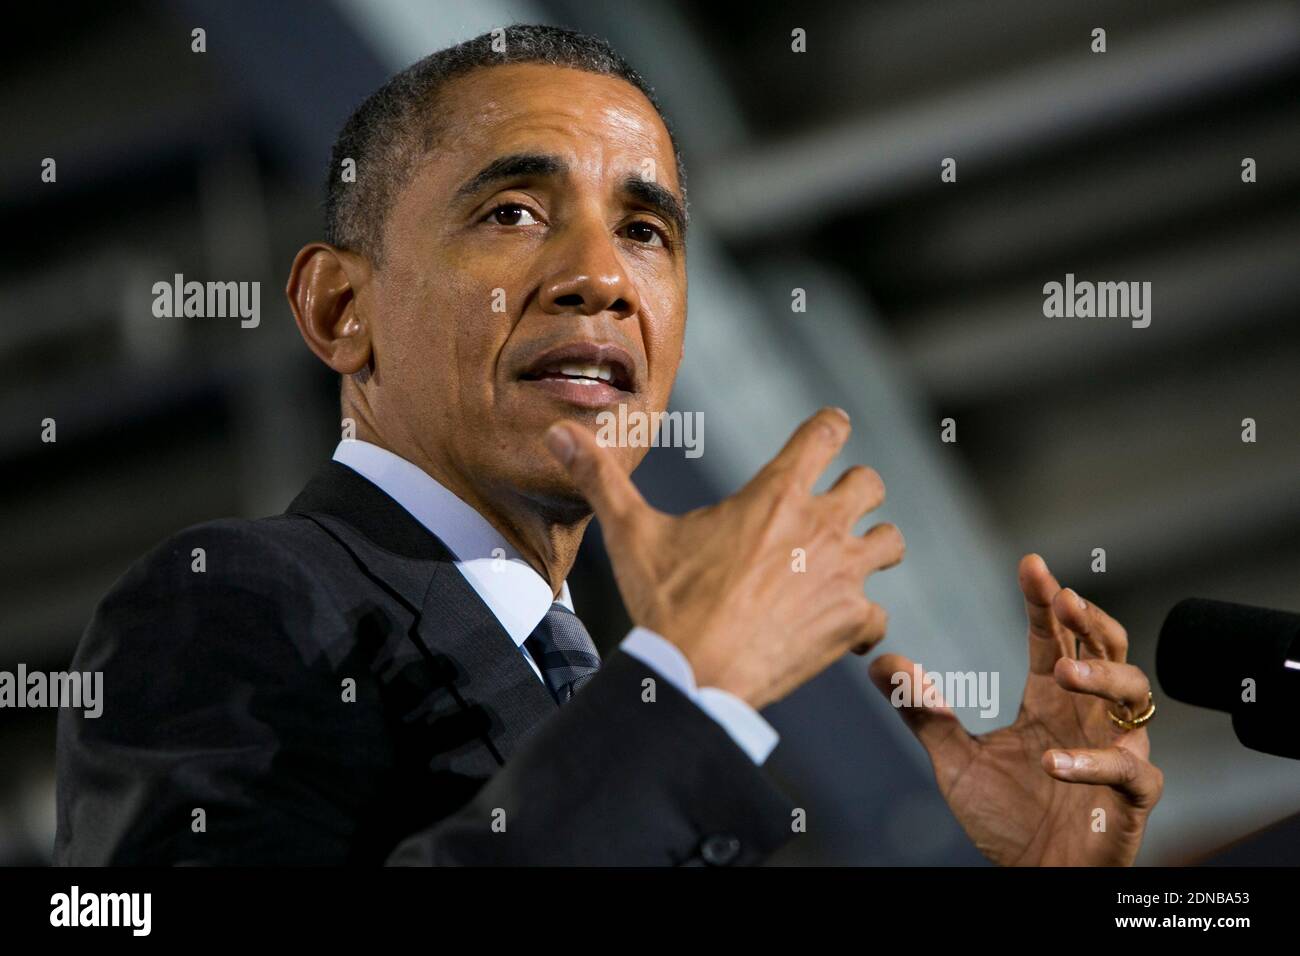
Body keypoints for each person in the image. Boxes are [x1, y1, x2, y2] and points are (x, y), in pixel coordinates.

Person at [54, 24, 1161, 866]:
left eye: (644, 231)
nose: (602, 277)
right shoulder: (229, 601)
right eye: (513, 213)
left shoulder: (616, 704)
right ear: (342, 307)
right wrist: (691, 688)